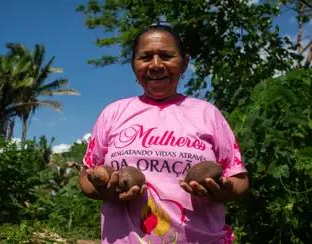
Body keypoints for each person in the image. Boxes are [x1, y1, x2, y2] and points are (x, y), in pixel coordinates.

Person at [79, 24, 249, 244]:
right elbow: (86, 176)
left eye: (167, 56)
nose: (156, 65)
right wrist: (106, 191)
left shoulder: (208, 113)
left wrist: (222, 191)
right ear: (134, 64)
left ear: (184, 62)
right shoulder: (113, 113)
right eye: (146, 57)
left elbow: (239, 178)